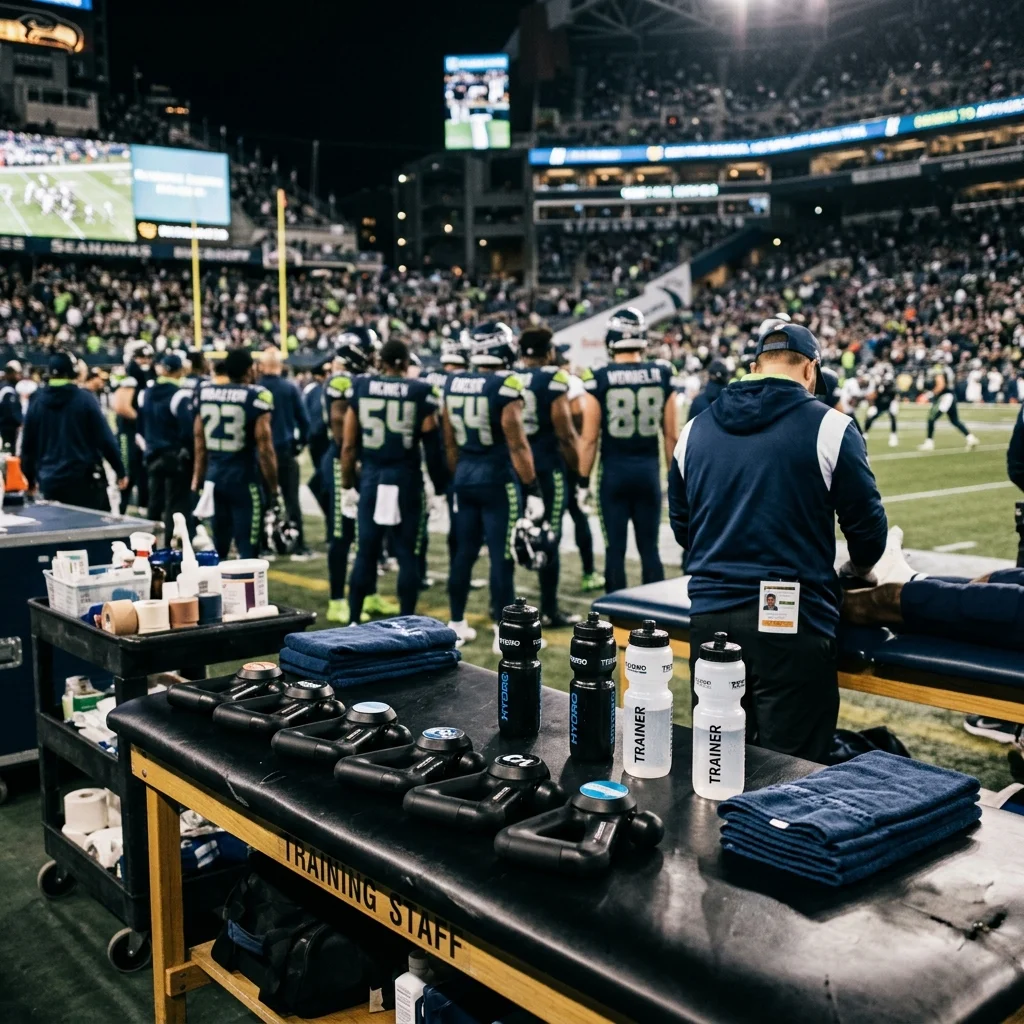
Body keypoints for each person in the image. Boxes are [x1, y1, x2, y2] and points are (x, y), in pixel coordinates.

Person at [668, 322, 890, 762]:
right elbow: (868, 532)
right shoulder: (830, 426)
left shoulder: (694, 430)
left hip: (712, 613)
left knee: (716, 762)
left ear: (753, 367)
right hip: (792, 618)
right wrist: (854, 571)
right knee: (791, 772)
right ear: (811, 370)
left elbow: (683, 528)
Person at [443, 321, 540, 651]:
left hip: (465, 477)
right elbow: (517, 444)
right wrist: (533, 486)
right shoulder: (506, 384)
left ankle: (456, 623)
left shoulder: (453, 381)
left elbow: (450, 443)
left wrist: (460, 476)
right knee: (502, 556)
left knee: (464, 553)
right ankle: (504, 632)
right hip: (498, 478)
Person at [341, 339, 448, 622]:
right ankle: (406, 619)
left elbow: (349, 445)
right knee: (407, 554)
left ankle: (354, 618)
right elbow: (432, 445)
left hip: (372, 478)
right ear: (403, 362)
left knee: (366, 552)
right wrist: (440, 488)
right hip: (405, 479)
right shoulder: (420, 390)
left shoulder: (361, 387)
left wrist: (347, 485)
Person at [578, 307, 678, 594]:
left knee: (615, 553)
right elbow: (671, 435)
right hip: (648, 473)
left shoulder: (599, 376)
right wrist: (674, 478)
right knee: (650, 550)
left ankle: (616, 626)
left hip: (613, 474)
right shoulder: (662, 373)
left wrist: (583, 481)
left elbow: (589, 438)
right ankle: (657, 624)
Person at [321, 327, 391, 624]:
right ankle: (337, 599)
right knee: (342, 533)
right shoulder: (340, 382)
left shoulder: (362, 381)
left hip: (364, 463)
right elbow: (341, 435)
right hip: (343, 464)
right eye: (370, 350)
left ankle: (370, 591)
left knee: (368, 533)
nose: (375, 355)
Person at [516, 325, 581, 628]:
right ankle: (549, 608)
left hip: (517, 468)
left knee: (514, 532)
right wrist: (578, 473)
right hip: (546, 465)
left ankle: (499, 604)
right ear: (550, 352)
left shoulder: (510, 378)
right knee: (549, 534)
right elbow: (566, 433)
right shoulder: (554, 378)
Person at [191, 348, 281, 560]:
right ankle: (247, 594)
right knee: (248, 550)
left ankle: (219, 593)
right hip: (244, 480)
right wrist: (274, 488)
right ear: (250, 369)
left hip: (215, 479)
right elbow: (265, 448)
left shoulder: (205, 392)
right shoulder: (257, 395)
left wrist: (197, 482)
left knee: (219, 548)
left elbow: (199, 443)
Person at [20, 352, 127, 510]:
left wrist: (29, 479)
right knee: (92, 531)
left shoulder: (37, 401)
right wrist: (120, 470)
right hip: (84, 481)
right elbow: (105, 439)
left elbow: (27, 446)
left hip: (50, 481)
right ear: (73, 371)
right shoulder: (85, 399)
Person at [258, 347, 311, 558]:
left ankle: (262, 545)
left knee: (262, 502)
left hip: (261, 454)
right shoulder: (289, 388)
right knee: (291, 501)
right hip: (284, 450)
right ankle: (298, 545)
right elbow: (304, 421)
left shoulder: (256, 388)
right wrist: (300, 444)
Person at [138, 353, 194, 545]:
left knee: (154, 504)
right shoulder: (180, 395)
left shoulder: (145, 392)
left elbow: (140, 424)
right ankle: (169, 546)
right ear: (179, 371)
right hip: (174, 456)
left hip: (152, 455)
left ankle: (147, 546)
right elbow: (188, 431)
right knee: (175, 506)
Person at [563, 346, 602, 594]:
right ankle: (589, 572)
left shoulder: (527, 379)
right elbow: (579, 418)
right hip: (568, 461)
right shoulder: (571, 384)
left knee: (546, 524)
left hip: (542, 464)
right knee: (579, 518)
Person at [111, 342, 155, 512]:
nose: (145, 361)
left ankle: (142, 506)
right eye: (141, 357)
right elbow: (122, 406)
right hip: (129, 431)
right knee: (128, 470)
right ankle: (120, 508)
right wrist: (143, 420)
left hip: (141, 433)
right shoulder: (128, 377)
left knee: (144, 471)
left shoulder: (147, 376)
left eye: (148, 357)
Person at [919, 364, 978, 451]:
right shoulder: (946, 370)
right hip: (950, 396)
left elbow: (941, 385)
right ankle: (971, 438)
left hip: (945, 397)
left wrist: (930, 394)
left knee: (931, 418)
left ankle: (929, 442)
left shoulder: (940, 372)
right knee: (955, 421)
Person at [302, 360, 331, 516]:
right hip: (323, 440)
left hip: (315, 440)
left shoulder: (310, 390)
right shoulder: (318, 390)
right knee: (324, 482)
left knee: (322, 482)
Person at [863, 367, 900, 447]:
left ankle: (893, 436)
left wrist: (894, 402)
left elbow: (894, 396)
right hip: (879, 404)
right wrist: (872, 405)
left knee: (893, 417)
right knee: (870, 416)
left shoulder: (891, 388)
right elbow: (872, 396)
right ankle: (865, 433)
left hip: (889, 404)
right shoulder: (877, 385)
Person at [0, 359, 22, 451]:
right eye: (17, 373)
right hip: (7, 429)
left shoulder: (7, 387)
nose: (19, 376)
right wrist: (21, 421)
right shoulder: (7, 390)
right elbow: (12, 412)